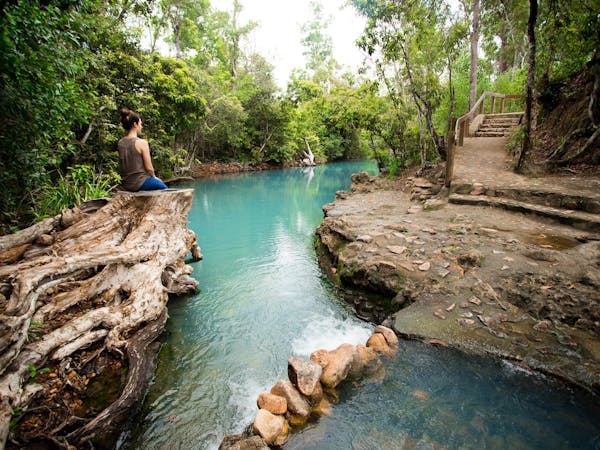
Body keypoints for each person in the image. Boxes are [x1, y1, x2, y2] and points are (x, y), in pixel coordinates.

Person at [117, 107, 168, 191]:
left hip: (126, 183)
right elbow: (149, 168)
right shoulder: (142, 143)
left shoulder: (120, 143)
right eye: (140, 123)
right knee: (165, 189)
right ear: (135, 124)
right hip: (140, 182)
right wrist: (154, 177)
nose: (141, 126)